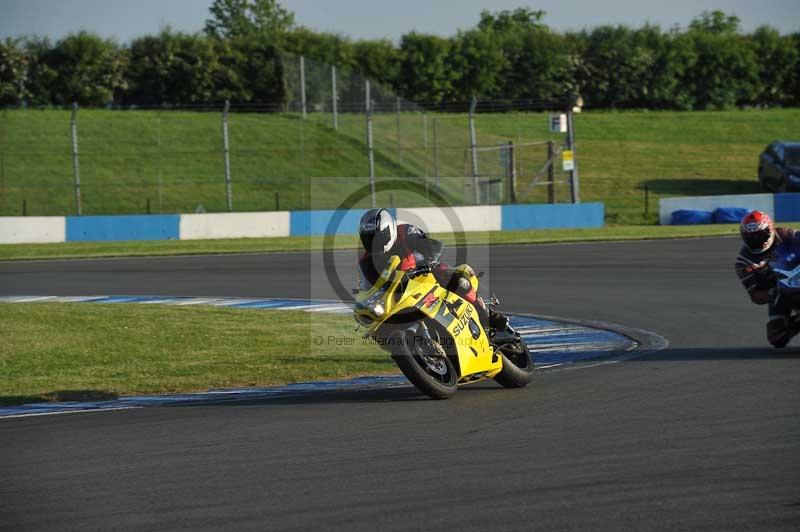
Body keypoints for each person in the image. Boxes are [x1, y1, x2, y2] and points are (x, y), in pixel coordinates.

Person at [357, 208, 507, 331]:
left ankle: (487, 315)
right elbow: (370, 287)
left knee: (457, 279)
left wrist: (429, 259)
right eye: (368, 238)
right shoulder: (366, 261)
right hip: (400, 291)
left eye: (377, 238)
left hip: (423, 274)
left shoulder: (405, 232)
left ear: (389, 231)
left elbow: (430, 246)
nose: (373, 243)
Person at [735, 210, 798, 348]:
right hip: (778, 293)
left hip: (797, 275)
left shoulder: (784, 234)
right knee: (777, 337)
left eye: (760, 234)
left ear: (770, 229)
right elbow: (755, 295)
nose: (756, 239)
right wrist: (773, 293)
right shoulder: (743, 262)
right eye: (750, 237)